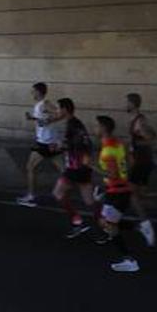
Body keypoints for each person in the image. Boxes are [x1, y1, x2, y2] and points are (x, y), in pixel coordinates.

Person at [95, 115, 140, 273]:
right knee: (105, 222)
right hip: (117, 190)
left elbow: (112, 174)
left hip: (117, 191)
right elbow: (130, 161)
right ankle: (139, 227)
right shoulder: (118, 143)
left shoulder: (108, 150)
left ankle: (129, 259)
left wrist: (92, 167)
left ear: (103, 129)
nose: (95, 129)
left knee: (109, 225)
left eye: (97, 126)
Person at [54, 97, 98, 238]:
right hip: (81, 169)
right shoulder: (75, 123)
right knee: (89, 201)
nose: (57, 111)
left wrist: (62, 146)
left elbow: (79, 145)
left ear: (65, 110)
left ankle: (77, 221)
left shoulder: (73, 125)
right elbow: (85, 145)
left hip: (75, 169)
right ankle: (110, 228)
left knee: (58, 193)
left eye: (58, 108)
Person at [16, 82, 63, 206]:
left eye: (33, 91)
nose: (32, 93)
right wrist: (32, 118)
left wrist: (49, 120)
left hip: (46, 143)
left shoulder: (45, 103)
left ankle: (31, 197)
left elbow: (60, 114)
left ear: (38, 92)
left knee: (30, 167)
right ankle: (84, 187)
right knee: (65, 170)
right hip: (49, 142)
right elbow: (42, 119)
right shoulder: (39, 105)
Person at [123, 93, 157, 246]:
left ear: (132, 104)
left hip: (141, 162)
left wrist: (138, 143)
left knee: (131, 193)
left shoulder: (139, 121)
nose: (125, 105)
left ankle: (146, 225)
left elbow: (151, 138)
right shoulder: (138, 119)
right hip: (143, 161)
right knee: (141, 194)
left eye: (127, 102)